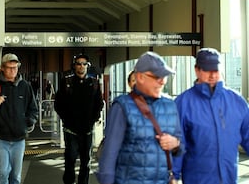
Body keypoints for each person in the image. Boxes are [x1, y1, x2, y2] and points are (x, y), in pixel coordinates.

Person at [96, 51, 182, 184]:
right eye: (157, 77)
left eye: (164, 77)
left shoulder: (170, 105)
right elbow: (109, 154)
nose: (162, 82)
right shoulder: (122, 107)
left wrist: (176, 144)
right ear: (140, 77)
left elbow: (181, 145)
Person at [173, 48, 249, 184]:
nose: (213, 75)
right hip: (197, 179)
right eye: (207, 70)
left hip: (229, 179)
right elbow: (177, 144)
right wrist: (173, 175)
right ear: (197, 70)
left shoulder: (237, 102)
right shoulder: (183, 103)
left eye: (216, 70)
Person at [0, 53, 38, 184]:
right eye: (9, 67)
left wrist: (27, 122)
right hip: (1, 139)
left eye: (15, 67)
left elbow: (33, 109)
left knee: (16, 176)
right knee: (2, 173)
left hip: (19, 140)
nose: (13, 70)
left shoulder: (25, 86)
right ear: (2, 68)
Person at [54, 54, 104, 184]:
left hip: (87, 130)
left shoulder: (93, 83)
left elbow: (99, 103)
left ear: (88, 66)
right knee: (70, 160)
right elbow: (58, 103)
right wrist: (66, 119)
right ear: (74, 66)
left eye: (84, 64)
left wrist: (94, 119)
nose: (81, 66)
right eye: (78, 63)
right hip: (70, 130)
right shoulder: (67, 82)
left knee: (85, 162)